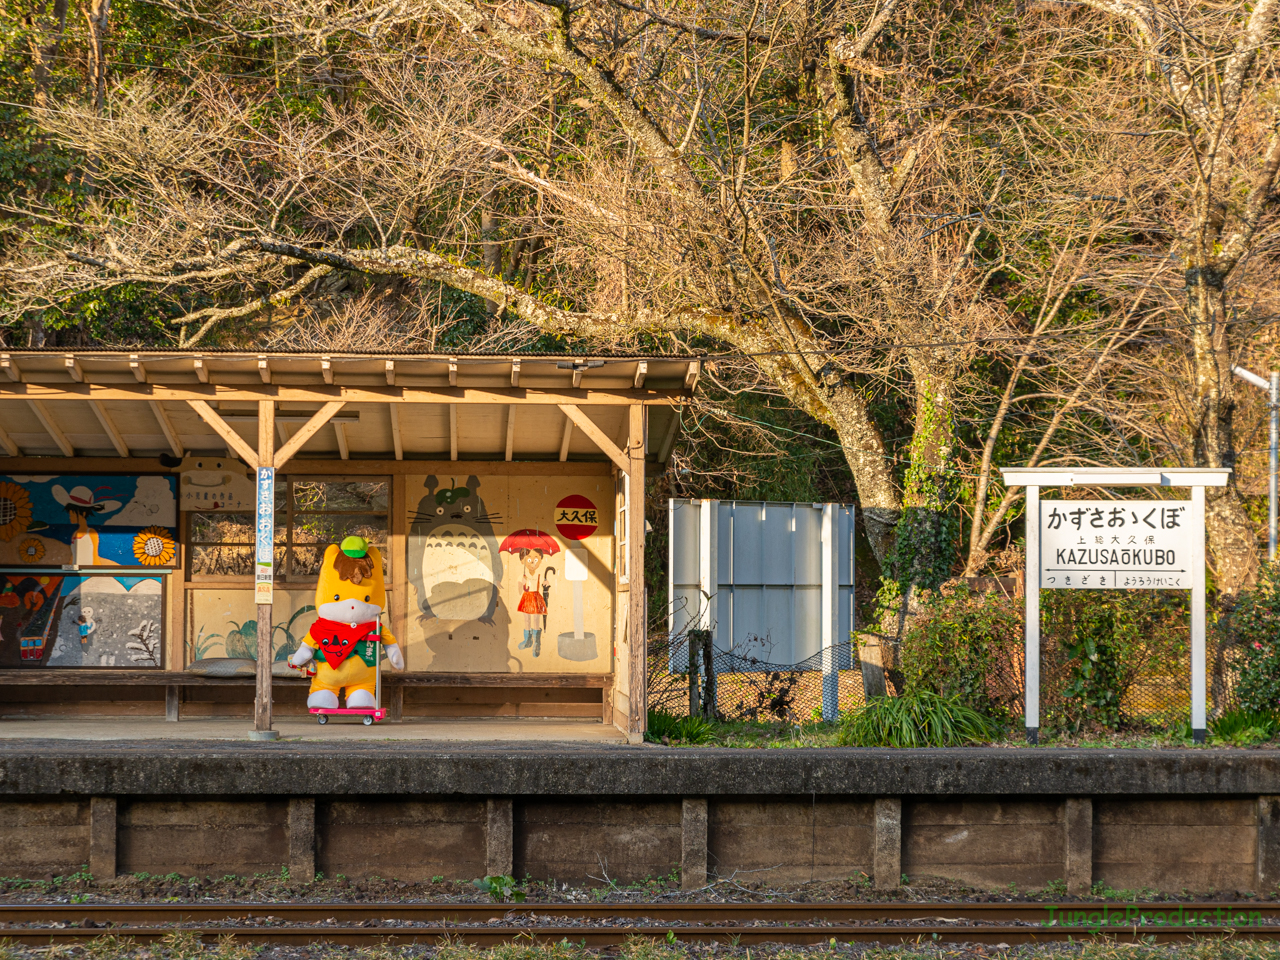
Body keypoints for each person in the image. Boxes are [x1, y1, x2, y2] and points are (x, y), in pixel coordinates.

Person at [516, 547, 547, 657]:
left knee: (535, 620)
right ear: (522, 561)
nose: (532, 562)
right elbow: (519, 592)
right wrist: (522, 583)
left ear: (540, 560)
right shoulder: (522, 576)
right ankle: (528, 640)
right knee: (527, 620)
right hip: (526, 598)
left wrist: (546, 582)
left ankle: (537, 643)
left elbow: (544, 583)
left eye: (536, 559)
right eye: (528, 560)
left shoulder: (539, 574)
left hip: (536, 597)